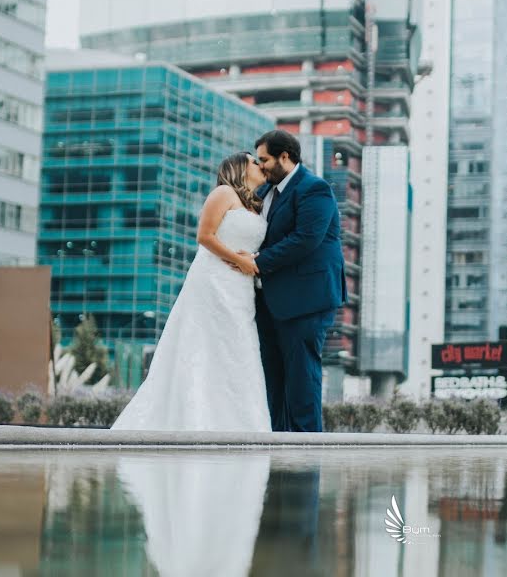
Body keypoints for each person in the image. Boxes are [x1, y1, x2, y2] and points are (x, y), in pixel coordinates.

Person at [111, 152, 271, 432]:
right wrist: (240, 260)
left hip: (241, 290)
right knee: (204, 346)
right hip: (213, 281)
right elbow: (205, 237)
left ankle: (240, 424)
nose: (260, 165)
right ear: (238, 169)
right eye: (254, 161)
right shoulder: (223, 193)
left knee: (238, 349)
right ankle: (196, 421)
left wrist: (253, 260)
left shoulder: (258, 205)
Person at [242, 130, 347, 432]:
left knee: (302, 379)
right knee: (272, 381)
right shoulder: (262, 194)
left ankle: (306, 453)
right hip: (269, 301)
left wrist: (256, 262)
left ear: (284, 157)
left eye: (264, 160)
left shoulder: (315, 189)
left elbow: (305, 239)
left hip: (306, 299)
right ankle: (277, 450)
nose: (260, 167)